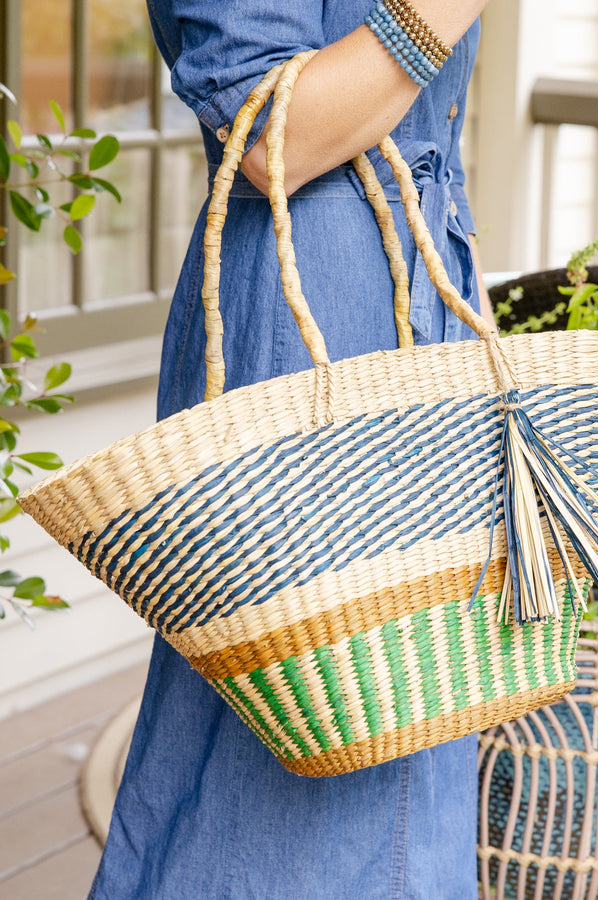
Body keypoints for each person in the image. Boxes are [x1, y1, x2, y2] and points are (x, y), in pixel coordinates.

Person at [88, 1, 492, 897]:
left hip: (420, 307)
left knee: (406, 732)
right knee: (290, 760)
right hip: (312, 317)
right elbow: (271, 127)